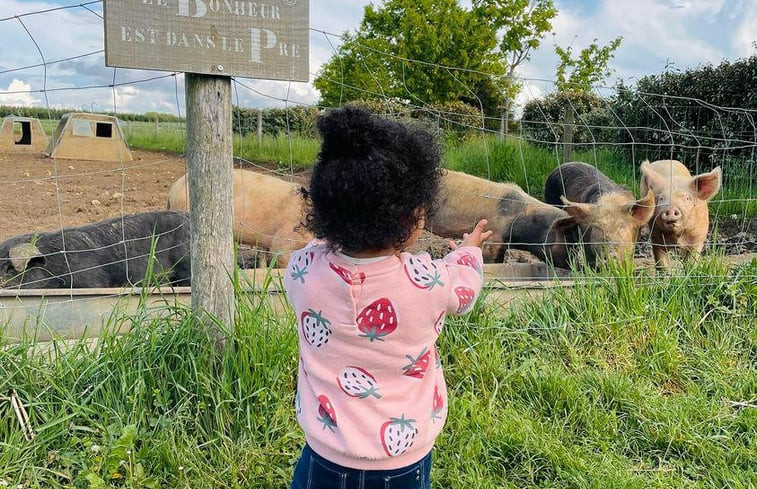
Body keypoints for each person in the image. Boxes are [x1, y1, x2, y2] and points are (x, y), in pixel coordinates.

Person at [284, 106, 492, 489]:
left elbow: (319, 246)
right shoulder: (428, 280)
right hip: (404, 461)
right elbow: (465, 288)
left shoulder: (303, 270)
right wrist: (469, 250)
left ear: (326, 211)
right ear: (412, 219)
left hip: (324, 455)